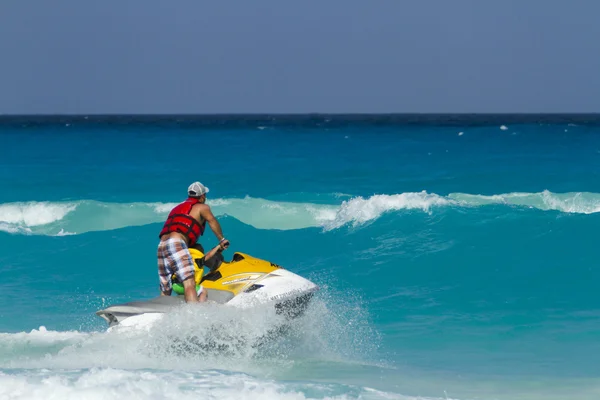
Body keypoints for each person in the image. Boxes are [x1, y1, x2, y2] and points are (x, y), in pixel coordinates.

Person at [157, 181, 230, 303]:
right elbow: (212, 221)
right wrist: (222, 239)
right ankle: (194, 316)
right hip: (176, 242)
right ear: (202, 197)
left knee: (165, 288)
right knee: (189, 283)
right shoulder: (202, 207)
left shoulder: (176, 208)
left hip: (162, 245)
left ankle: (159, 312)